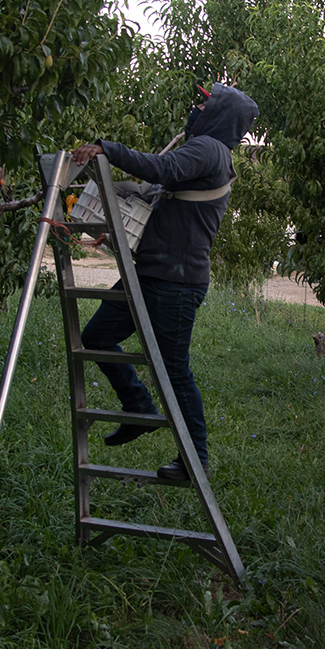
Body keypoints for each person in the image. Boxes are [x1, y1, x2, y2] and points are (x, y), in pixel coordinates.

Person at [68, 81, 256, 483]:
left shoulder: (209, 150)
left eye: (205, 107)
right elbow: (159, 195)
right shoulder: (206, 152)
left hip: (175, 282)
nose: (197, 112)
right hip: (151, 271)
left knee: (173, 369)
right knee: (97, 336)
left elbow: (162, 167)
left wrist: (108, 148)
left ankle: (196, 461)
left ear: (220, 116)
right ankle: (139, 408)